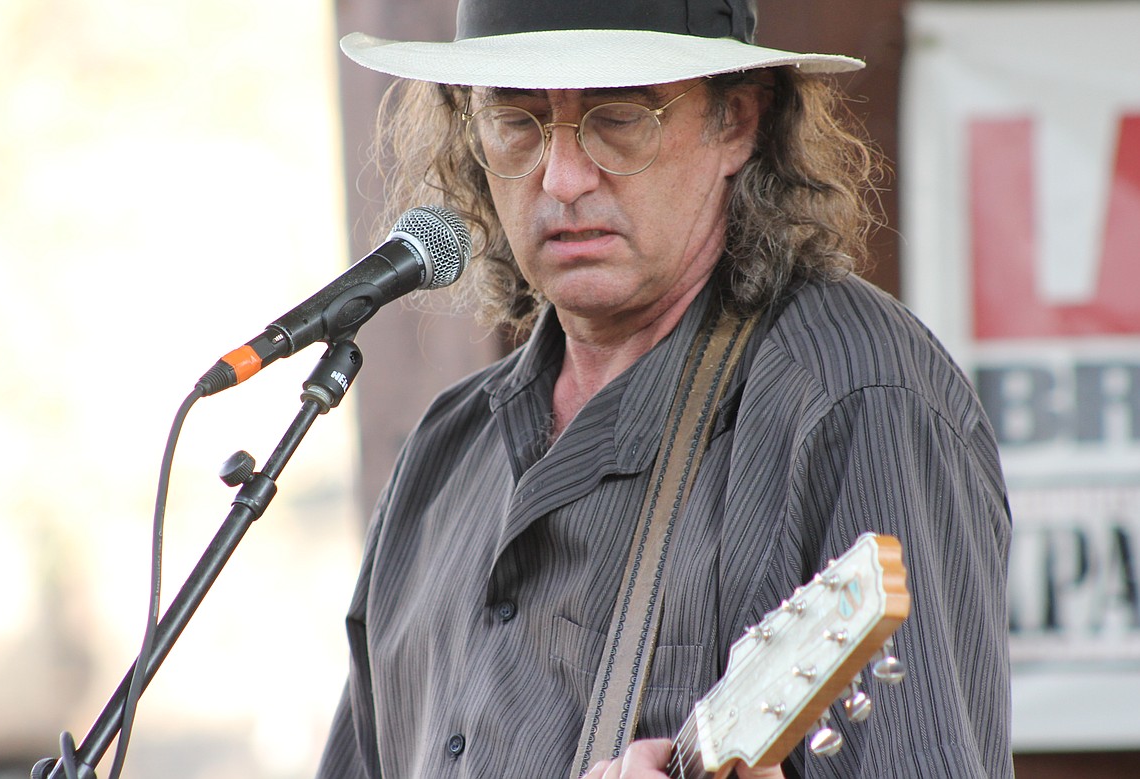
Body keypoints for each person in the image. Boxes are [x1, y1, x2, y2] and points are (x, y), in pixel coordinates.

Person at [318, 1, 1013, 777]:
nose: (563, 177)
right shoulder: (444, 453)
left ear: (738, 121)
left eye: (618, 118)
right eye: (516, 120)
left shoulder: (859, 396)